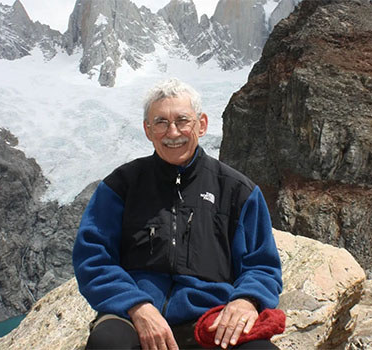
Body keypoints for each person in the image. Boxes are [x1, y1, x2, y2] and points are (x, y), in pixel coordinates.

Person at [72, 78, 282, 350]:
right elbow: (92, 257)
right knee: (108, 342)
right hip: (133, 316)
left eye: (182, 120)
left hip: (211, 317)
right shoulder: (121, 185)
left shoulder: (237, 191)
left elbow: (262, 265)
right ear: (147, 130)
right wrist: (137, 305)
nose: (172, 132)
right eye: (160, 122)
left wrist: (246, 300)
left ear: (201, 125)